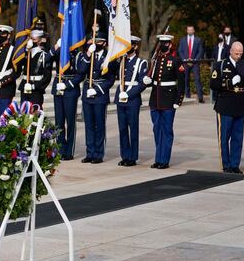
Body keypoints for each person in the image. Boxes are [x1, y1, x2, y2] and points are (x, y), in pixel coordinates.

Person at [143, 34, 185, 169]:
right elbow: (154, 78)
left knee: (166, 131)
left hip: (168, 100)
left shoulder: (175, 61)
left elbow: (182, 83)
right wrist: (147, 81)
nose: (163, 45)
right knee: (157, 130)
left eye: (165, 43)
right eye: (161, 43)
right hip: (155, 99)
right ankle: (158, 158)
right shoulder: (156, 60)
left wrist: (178, 100)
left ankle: (164, 160)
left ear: (170, 44)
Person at [211, 41, 244, 173]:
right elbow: (213, 84)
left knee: (237, 138)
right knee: (224, 137)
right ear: (230, 51)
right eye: (236, 53)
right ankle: (226, 165)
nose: (239, 55)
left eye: (241, 53)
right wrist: (229, 83)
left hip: (240, 105)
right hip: (225, 105)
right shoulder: (221, 65)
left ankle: (235, 165)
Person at [79, 32, 114, 164]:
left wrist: (98, 90)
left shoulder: (109, 57)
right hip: (87, 93)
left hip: (100, 95)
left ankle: (98, 154)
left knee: (99, 125)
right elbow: (82, 70)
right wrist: (88, 54)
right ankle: (90, 153)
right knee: (88, 125)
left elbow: (110, 79)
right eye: (94, 41)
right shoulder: (89, 54)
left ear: (104, 43)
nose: (95, 44)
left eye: (99, 42)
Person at [113, 36, 147, 166]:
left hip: (132, 99)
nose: (127, 47)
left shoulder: (141, 63)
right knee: (122, 129)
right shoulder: (121, 60)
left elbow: (142, 83)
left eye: (130, 45)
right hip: (120, 98)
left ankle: (132, 157)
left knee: (133, 128)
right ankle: (125, 156)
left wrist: (128, 94)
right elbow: (110, 69)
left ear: (136, 46)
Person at [50, 43, 84, 161]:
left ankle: (69, 151)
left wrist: (67, 85)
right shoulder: (59, 52)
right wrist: (55, 47)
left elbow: (80, 75)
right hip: (58, 88)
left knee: (70, 122)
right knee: (59, 122)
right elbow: (47, 59)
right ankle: (60, 149)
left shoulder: (78, 55)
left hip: (70, 90)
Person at [17, 30, 51, 108]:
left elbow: (47, 77)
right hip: (25, 85)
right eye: (31, 39)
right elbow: (19, 63)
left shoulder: (44, 55)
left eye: (34, 39)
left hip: (36, 88)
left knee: (35, 113)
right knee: (24, 113)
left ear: (40, 40)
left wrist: (34, 86)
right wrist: (26, 51)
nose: (32, 41)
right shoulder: (25, 54)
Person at [178, 26, 204, 103]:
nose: (190, 31)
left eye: (191, 30)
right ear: (187, 31)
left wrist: (194, 60)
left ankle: (200, 97)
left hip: (195, 63)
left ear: (194, 31)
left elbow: (200, 51)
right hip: (185, 63)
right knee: (185, 80)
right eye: (188, 30)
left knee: (197, 79)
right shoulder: (182, 40)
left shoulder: (198, 40)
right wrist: (185, 60)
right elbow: (180, 51)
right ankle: (187, 96)